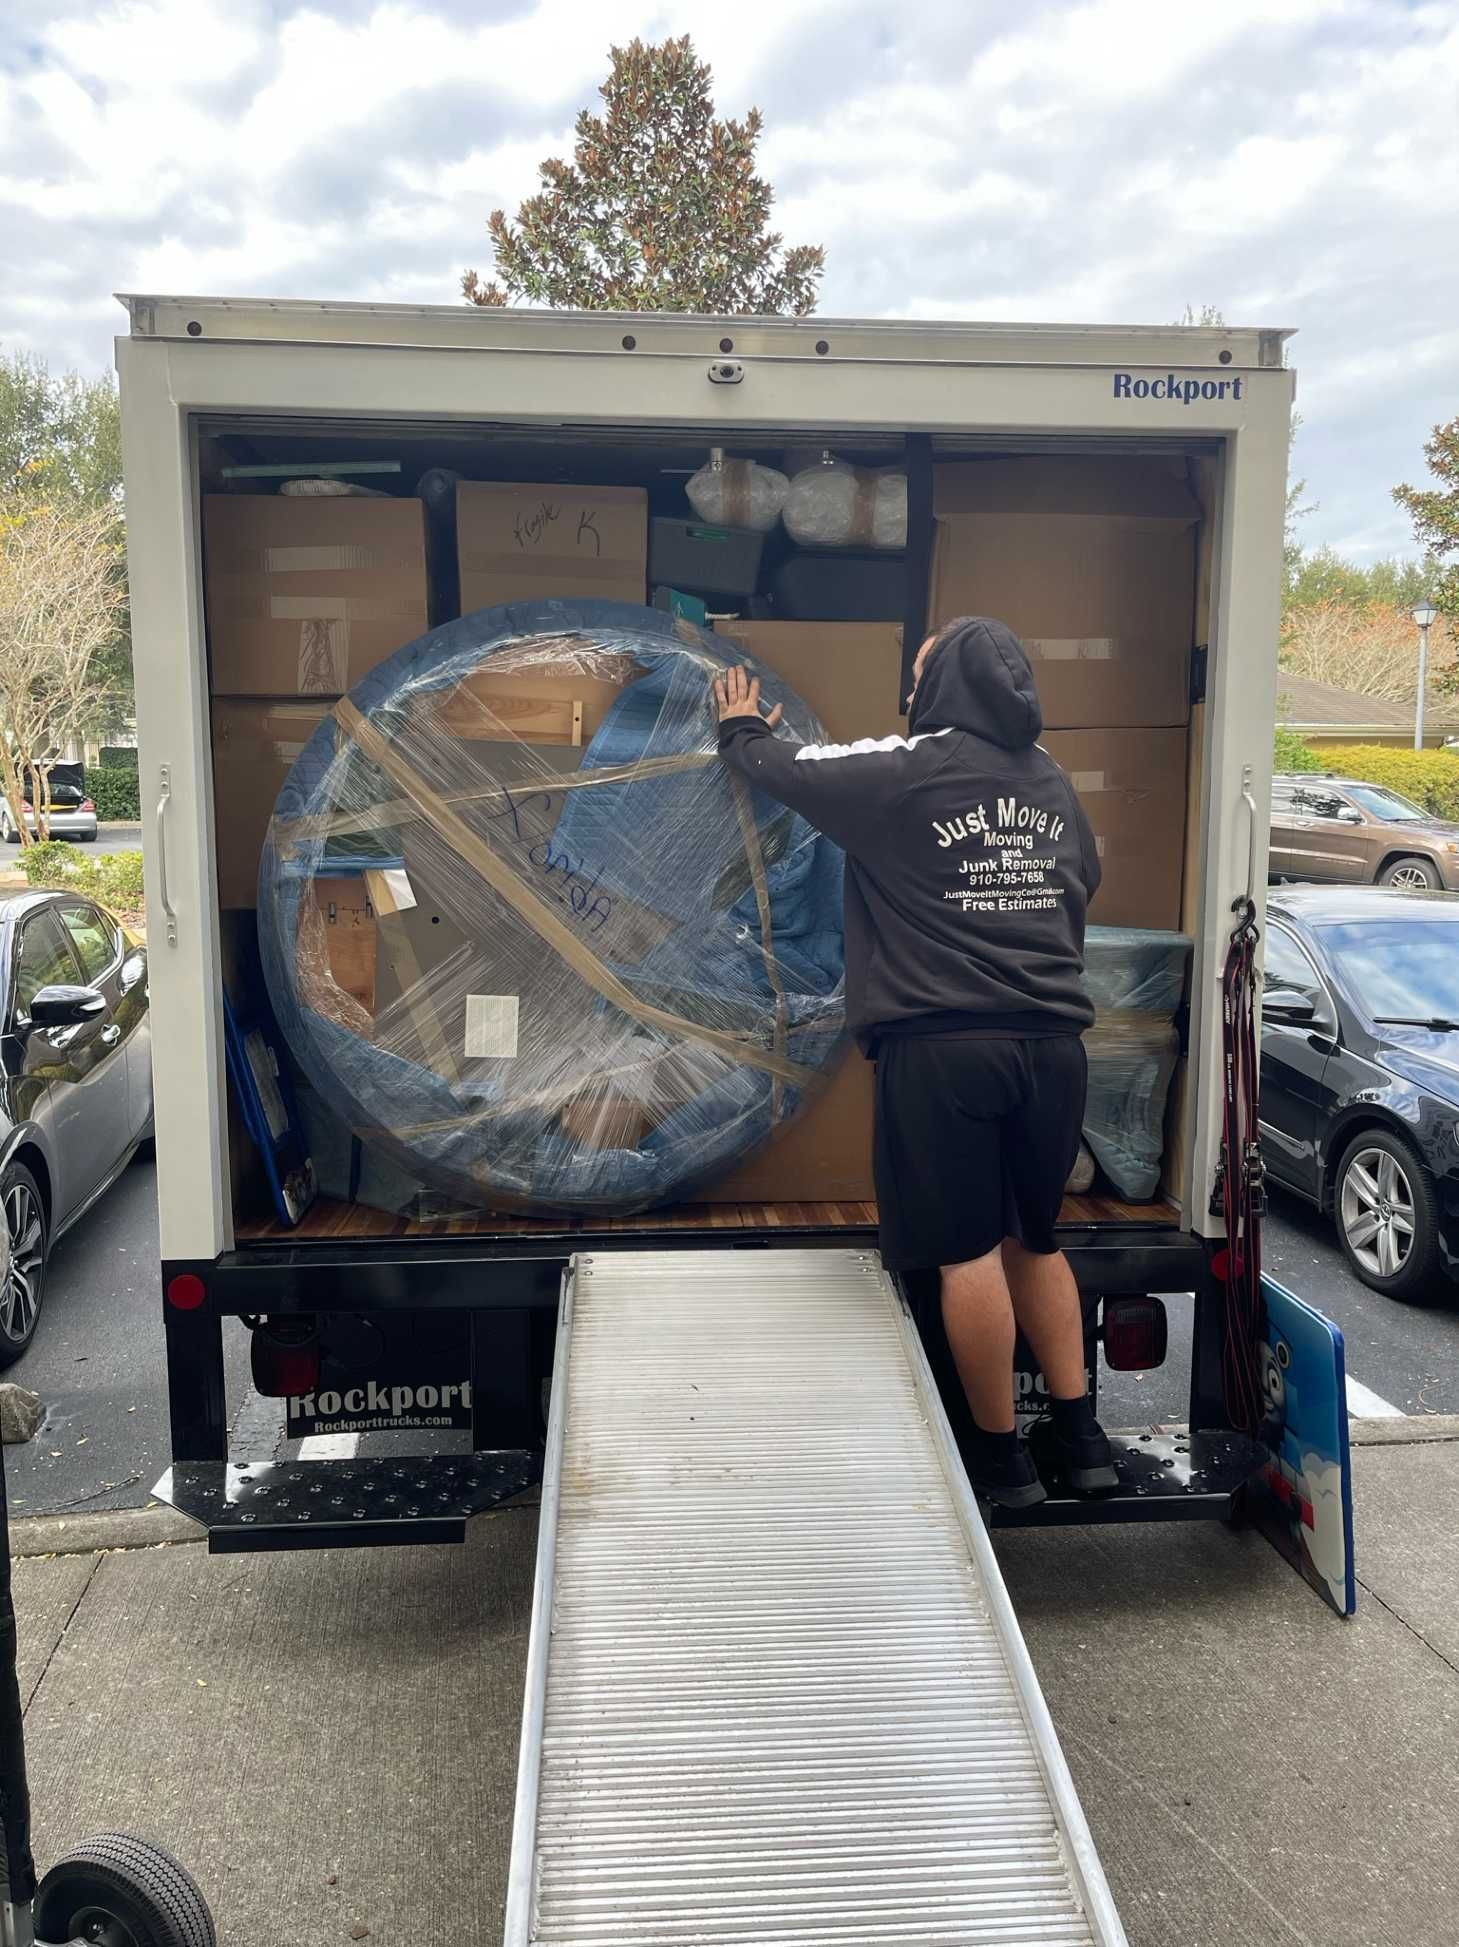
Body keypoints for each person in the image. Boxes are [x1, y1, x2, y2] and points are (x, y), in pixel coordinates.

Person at [714, 615, 1116, 1508]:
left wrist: (741, 728)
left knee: (965, 1254)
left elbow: (786, 771)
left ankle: (1000, 1459)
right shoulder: (1049, 782)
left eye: (920, 671)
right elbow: (1085, 875)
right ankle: (1081, 1439)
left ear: (942, 688)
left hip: (944, 1051)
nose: (908, 688)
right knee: (1035, 1241)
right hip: (1052, 1048)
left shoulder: (907, 770)